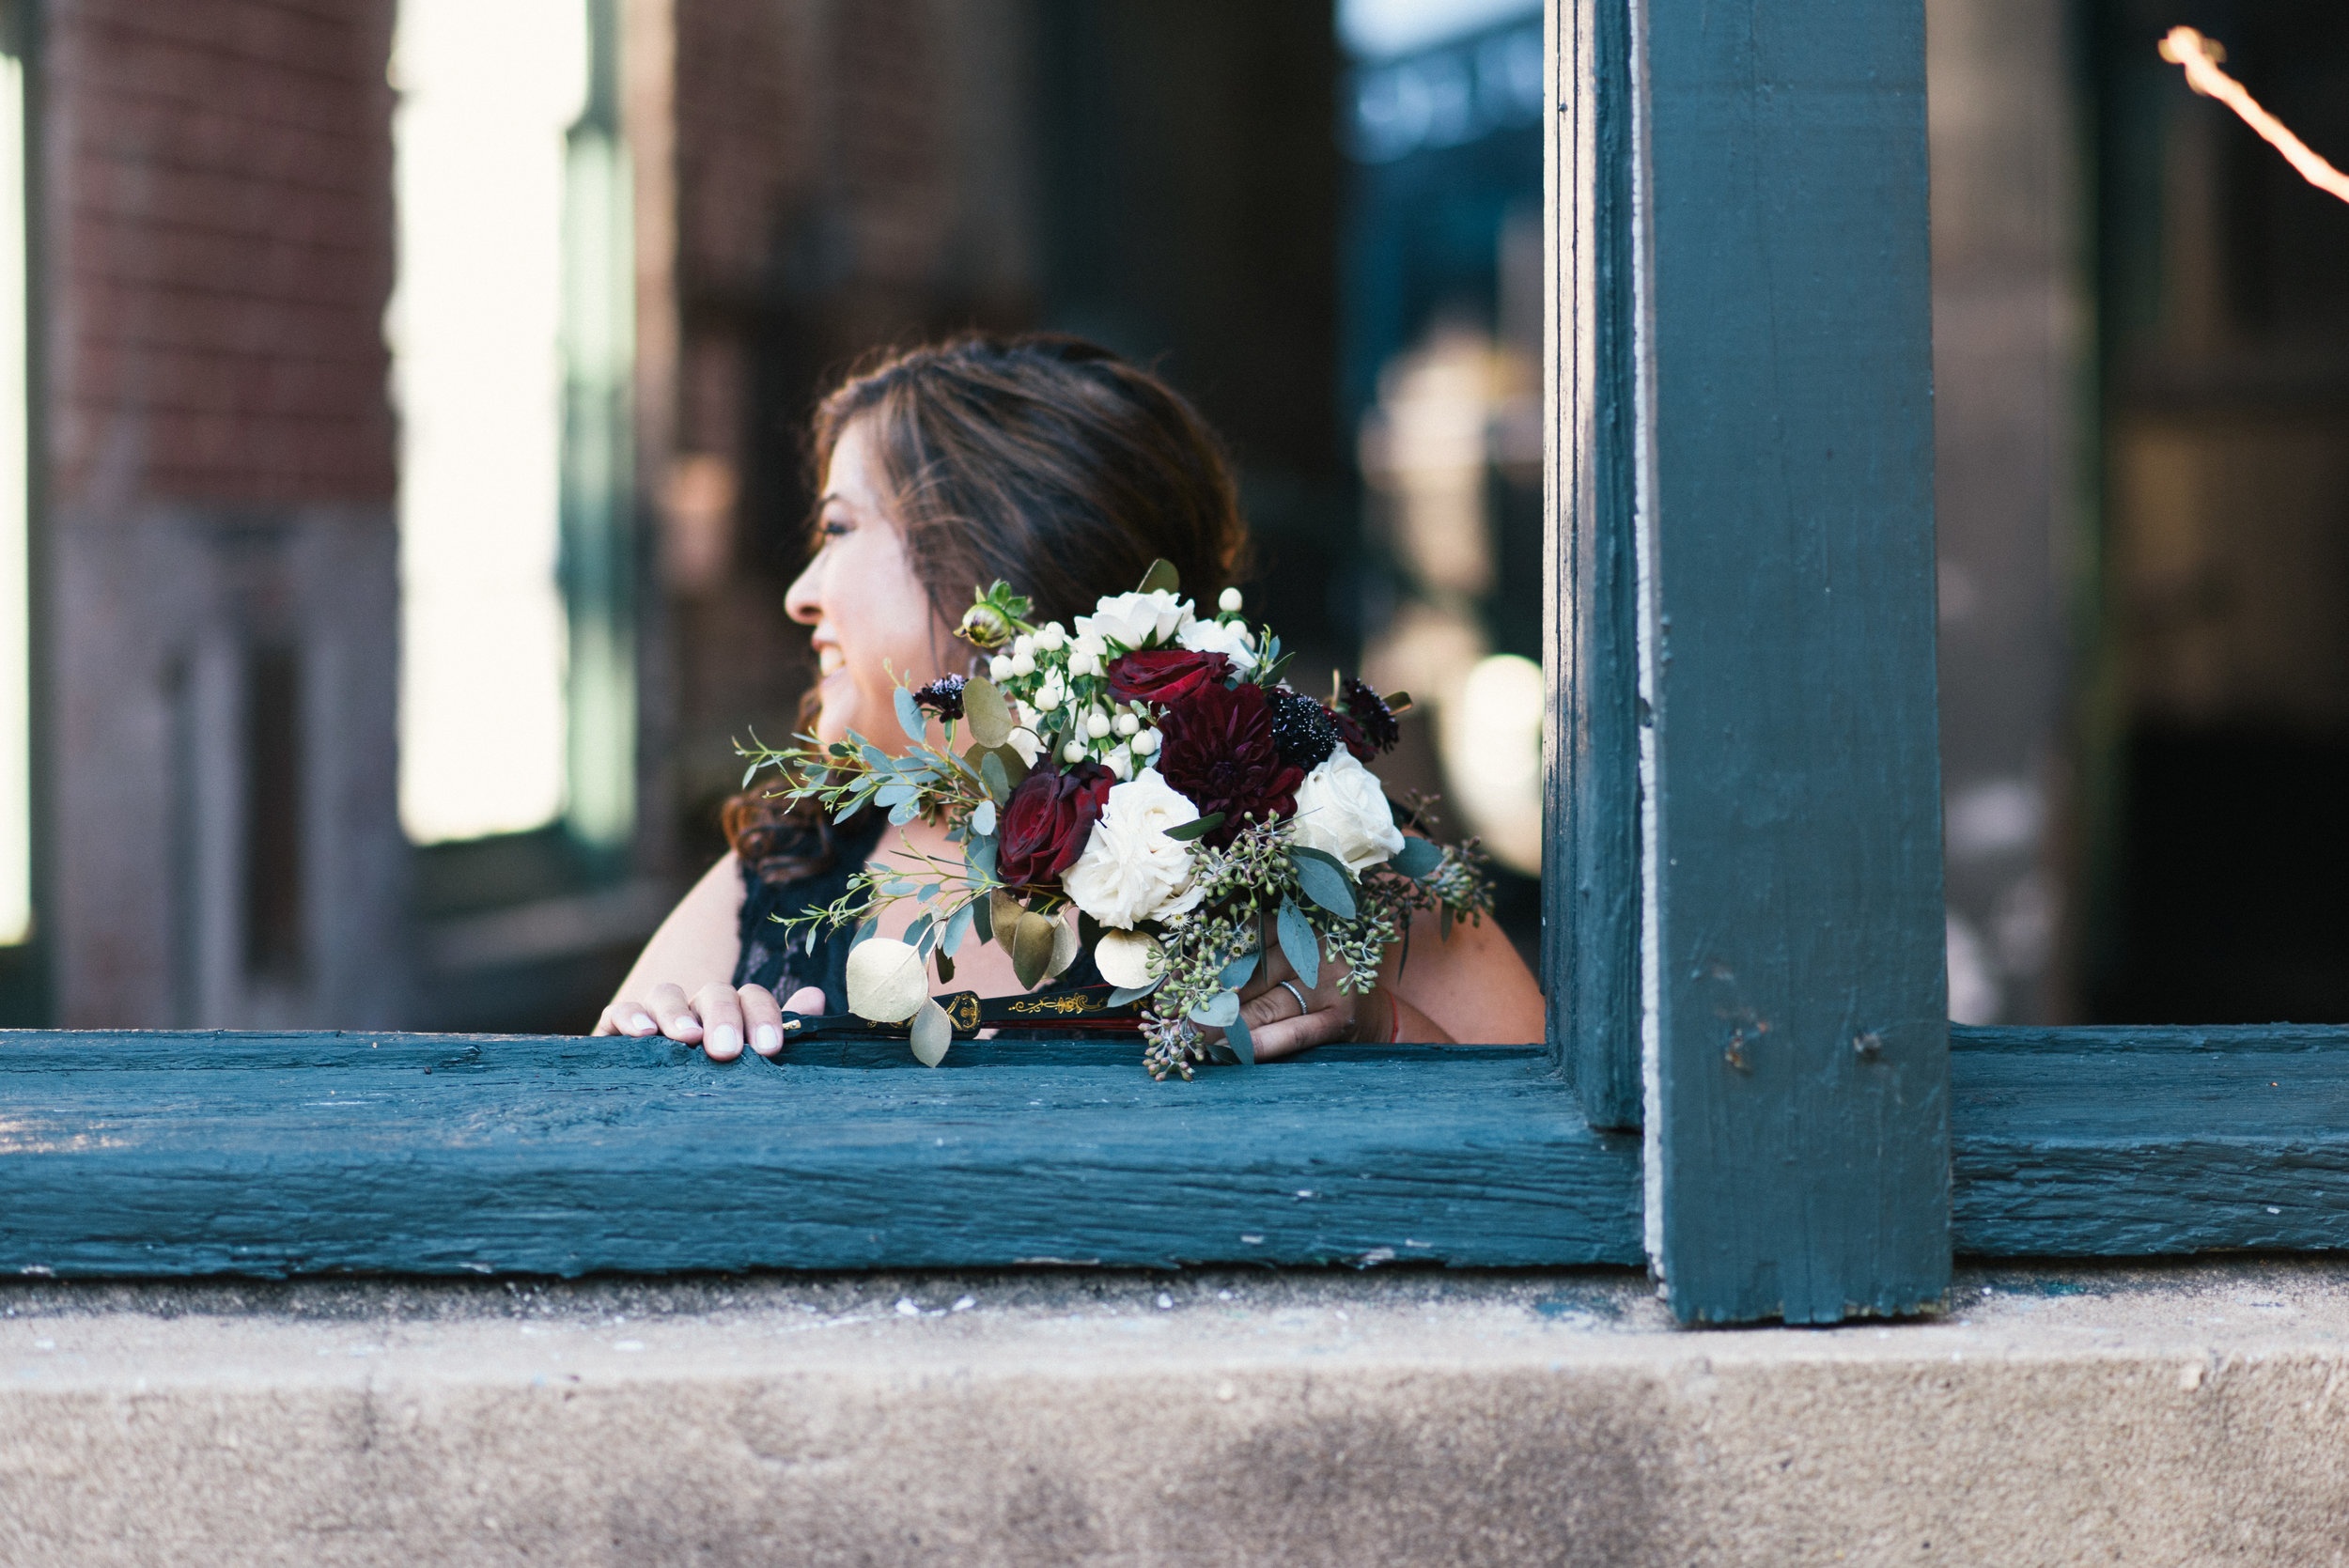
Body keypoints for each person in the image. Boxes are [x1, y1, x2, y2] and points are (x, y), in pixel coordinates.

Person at [596, 334, 1545, 1061]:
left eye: (840, 527)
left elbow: (1575, 1191)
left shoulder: (1330, 867)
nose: (802, 589)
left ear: (987, 570)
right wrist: (687, 1051)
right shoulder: (784, 876)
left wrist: (1376, 1026)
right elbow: (586, 1146)